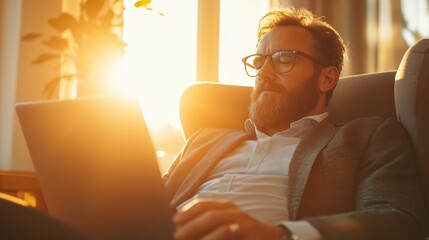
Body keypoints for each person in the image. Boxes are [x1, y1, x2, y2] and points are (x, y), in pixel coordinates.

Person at [163, 7, 428, 240]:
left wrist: (282, 235)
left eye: (283, 59)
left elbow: (398, 220)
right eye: (259, 62)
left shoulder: (368, 137)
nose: (264, 74)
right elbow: (144, 205)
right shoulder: (204, 140)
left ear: (326, 79)